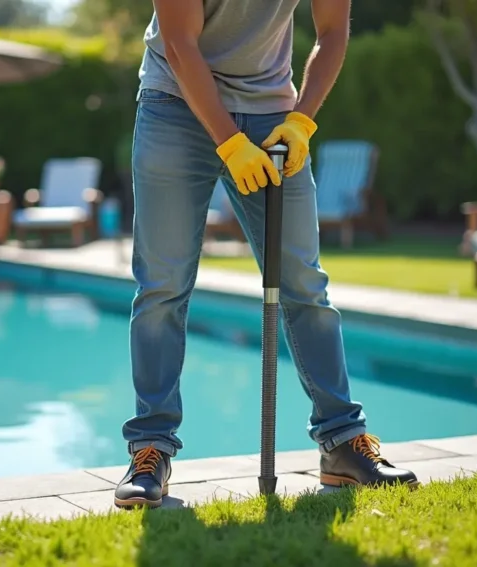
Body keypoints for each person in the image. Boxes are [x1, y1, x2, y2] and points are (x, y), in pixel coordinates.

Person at [114, 0, 419, 509]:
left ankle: (343, 442)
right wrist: (230, 143)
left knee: (304, 282)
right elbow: (179, 42)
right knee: (162, 285)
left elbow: (331, 33)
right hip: (175, 104)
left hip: (271, 112)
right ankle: (150, 450)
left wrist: (301, 121)